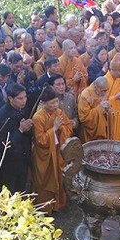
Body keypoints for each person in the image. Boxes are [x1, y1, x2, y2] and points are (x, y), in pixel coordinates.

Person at [31, 86, 73, 214]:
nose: (55, 105)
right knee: (44, 181)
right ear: (44, 103)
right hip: (44, 155)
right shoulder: (38, 117)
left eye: (56, 102)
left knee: (59, 177)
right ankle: (44, 206)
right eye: (52, 103)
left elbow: (69, 127)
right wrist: (54, 129)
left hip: (57, 151)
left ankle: (57, 204)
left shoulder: (59, 112)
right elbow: (40, 140)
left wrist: (61, 129)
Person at [0, 83, 33, 193]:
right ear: (10, 99)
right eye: (20, 98)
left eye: (25, 97)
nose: (24, 101)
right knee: (8, 193)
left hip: (23, 159)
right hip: (8, 164)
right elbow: (3, 144)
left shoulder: (23, 109)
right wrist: (20, 130)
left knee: (21, 191)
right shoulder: (2, 116)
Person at [78, 77, 110, 143]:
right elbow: (84, 118)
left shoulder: (102, 91)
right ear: (95, 87)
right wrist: (100, 108)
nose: (105, 93)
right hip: (89, 132)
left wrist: (107, 109)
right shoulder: (85, 95)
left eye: (107, 90)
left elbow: (105, 109)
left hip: (102, 128)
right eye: (103, 91)